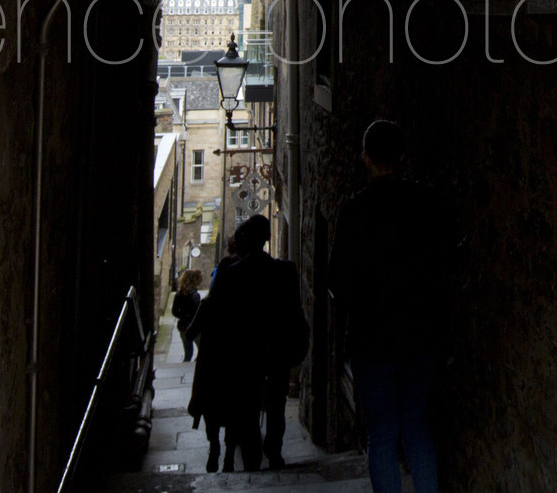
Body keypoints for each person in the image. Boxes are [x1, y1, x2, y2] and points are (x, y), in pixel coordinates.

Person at [329, 119, 446, 493]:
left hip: (371, 340)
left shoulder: (353, 212)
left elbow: (337, 281)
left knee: (381, 433)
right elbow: (442, 265)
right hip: (420, 335)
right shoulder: (426, 204)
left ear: (366, 158)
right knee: (415, 423)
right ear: (403, 156)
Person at [189, 215, 309, 472]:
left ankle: (252, 459)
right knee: (276, 403)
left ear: (244, 239)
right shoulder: (285, 271)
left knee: (247, 404)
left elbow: (216, 314)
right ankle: (274, 453)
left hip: (243, 353)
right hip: (276, 350)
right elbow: (293, 312)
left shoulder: (229, 272)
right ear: (267, 238)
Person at [171, 268, 203, 363]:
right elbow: (197, 313)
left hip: (183, 327)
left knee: (188, 354)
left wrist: (183, 316)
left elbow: (174, 311)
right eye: (200, 279)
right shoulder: (195, 295)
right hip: (194, 328)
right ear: (195, 280)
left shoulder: (179, 294)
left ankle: (185, 366)